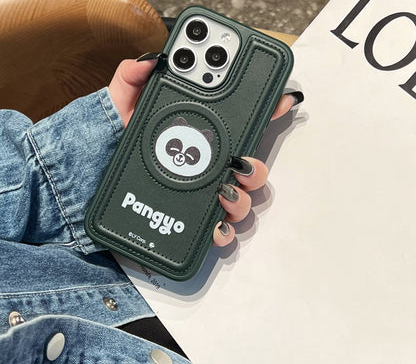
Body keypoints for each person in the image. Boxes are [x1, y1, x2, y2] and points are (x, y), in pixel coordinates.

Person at [0, 54, 303, 363]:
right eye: (176, 149)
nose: (180, 157)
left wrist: (83, 166)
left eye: (186, 153)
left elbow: (31, 194)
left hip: (139, 280)